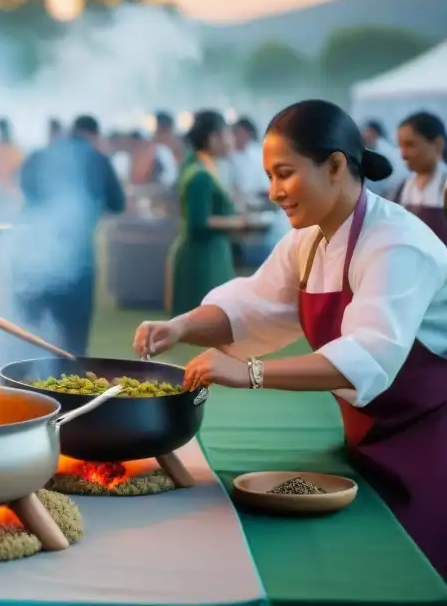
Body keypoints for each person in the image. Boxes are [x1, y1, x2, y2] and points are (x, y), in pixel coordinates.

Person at [134, 99, 447, 579]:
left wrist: (250, 372)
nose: (275, 192)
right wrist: (180, 326)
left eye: (285, 174)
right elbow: (253, 307)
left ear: (337, 165)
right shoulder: (309, 237)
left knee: (414, 564)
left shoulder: (396, 244)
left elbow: (365, 357)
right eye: (269, 177)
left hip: (429, 435)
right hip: (366, 432)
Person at [18, 115, 125, 355]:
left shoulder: (40, 155)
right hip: (80, 259)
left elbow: (26, 191)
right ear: (94, 135)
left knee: (34, 333)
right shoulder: (98, 160)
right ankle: (70, 387)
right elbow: (118, 203)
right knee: (74, 337)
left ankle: (29, 383)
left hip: (36, 255)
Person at [167, 110, 242, 316]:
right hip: (202, 258)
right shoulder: (199, 175)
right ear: (211, 137)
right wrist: (238, 224)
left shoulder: (206, 167)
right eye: (225, 134)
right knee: (204, 322)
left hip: (213, 252)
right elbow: (198, 223)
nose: (230, 140)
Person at [393, 111, 447, 245]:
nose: (403, 155)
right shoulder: (402, 189)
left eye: (410, 145)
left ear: (438, 144)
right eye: (401, 147)